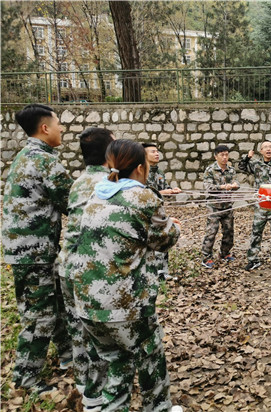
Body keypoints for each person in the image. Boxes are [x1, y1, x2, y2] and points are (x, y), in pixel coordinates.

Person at [71, 139, 183, 411]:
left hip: (87, 302)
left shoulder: (98, 193)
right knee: (149, 355)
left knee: (116, 361)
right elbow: (163, 240)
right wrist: (173, 227)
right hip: (125, 303)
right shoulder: (143, 196)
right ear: (142, 168)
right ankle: (159, 408)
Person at [2, 104, 73, 396]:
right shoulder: (45, 162)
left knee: (55, 304)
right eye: (58, 124)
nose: (61, 129)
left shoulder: (25, 156)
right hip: (35, 253)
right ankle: (26, 380)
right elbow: (72, 202)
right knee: (39, 315)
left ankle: (70, 355)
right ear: (45, 128)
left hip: (27, 250)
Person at [56, 127, 114, 410]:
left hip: (68, 266)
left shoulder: (78, 182)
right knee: (99, 334)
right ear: (109, 153)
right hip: (92, 271)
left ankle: (83, 383)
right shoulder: (110, 182)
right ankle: (96, 396)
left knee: (77, 328)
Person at [238, 141, 271, 271]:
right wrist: (247, 157)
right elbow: (242, 167)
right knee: (256, 231)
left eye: (270, 147)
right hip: (261, 203)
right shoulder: (256, 163)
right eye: (265, 148)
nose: (268, 149)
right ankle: (253, 260)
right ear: (261, 151)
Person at [142, 142, 181, 280]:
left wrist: (173, 190)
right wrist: (164, 191)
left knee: (163, 239)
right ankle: (153, 273)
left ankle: (163, 272)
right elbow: (144, 193)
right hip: (146, 213)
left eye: (157, 151)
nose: (156, 154)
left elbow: (165, 188)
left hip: (159, 211)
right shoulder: (141, 172)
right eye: (152, 151)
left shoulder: (158, 172)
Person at [201, 145, 240, 269]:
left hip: (227, 205)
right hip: (214, 206)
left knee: (229, 231)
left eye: (226, 155)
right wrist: (222, 187)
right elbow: (208, 187)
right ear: (215, 156)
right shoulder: (210, 170)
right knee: (211, 232)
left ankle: (225, 253)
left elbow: (237, 183)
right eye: (222, 155)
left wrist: (234, 185)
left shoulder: (231, 170)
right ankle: (206, 257)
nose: (224, 157)